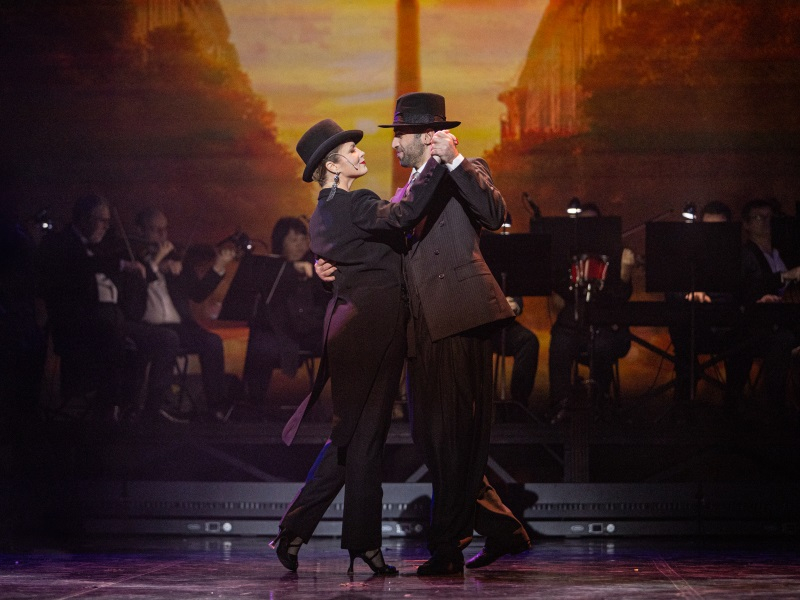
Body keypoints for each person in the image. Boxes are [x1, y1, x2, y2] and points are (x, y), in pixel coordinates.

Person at [271, 118, 445, 575]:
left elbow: (345, 264)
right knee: (357, 437)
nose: (361, 154)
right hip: (373, 331)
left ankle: (338, 540)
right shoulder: (357, 202)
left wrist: (326, 273)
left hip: (352, 330)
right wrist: (434, 163)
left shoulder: (322, 215)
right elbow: (404, 215)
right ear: (332, 165)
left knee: (359, 438)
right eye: (352, 151)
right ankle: (314, 533)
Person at [381, 92, 530, 575]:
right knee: (431, 436)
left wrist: (456, 161)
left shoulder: (465, 170)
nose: (394, 144)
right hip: (422, 326)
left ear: (428, 136)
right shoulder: (407, 189)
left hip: (458, 316)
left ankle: (448, 547)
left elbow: (495, 213)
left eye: (401, 135)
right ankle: (501, 528)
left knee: (450, 435)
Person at [36, 194, 179, 421]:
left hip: (112, 320)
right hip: (81, 323)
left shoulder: (103, 248)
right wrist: (122, 264)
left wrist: (143, 270)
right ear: (84, 219)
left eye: (108, 222)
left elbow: (128, 292)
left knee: (166, 338)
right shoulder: (61, 243)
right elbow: (82, 265)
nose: (106, 227)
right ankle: (110, 407)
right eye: (101, 220)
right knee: (118, 334)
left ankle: (149, 410)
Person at [130, 208, 235, 422]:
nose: (163, 236)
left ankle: (216, 408)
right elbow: (131, 294)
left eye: (165, 230)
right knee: (168, 339)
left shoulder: (175, 259)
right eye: (155, 230)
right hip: (146, 326)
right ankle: (154, 408)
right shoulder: (131, 258)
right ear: (140, 231)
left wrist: (218, 266)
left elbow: (198, 294)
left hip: (179, 326)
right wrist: (155, 264)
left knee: (212, 341)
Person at [548, 203, 634, 424]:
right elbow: (558, 285)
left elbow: (621, 297)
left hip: (606, 324)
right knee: (559, 343)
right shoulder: (569, 254)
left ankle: (599, 403)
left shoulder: (614, 254)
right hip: (573, 323)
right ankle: (560, 405)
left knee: (603, 346)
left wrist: (625, 275)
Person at [665, 201, 750, 419]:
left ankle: (732, 409)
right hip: (694, 329)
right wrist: (688, 294)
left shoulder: (741, 256)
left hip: (731, 329)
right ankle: (682, 409)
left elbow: (749, 290)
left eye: (720, 228)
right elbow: (671, 289)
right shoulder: (686, 255)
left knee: (744, 343)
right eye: (708, 228)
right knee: (683, 341)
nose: (713, 235)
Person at [242, 217, 327, 417]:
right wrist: (291, 270)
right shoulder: (268, 268)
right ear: (280, 242)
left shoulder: (316, 265)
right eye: (293, 240)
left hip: (309, 331)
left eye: (303, 239)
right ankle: (253, 405)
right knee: (260, 346)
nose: (300, 245)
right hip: (280, 335)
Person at [737, 198, 800, 415]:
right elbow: (748, 287)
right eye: (758, 217)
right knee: (783, 340)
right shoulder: (746, 254)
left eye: (770, 217)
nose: (766, 222)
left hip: (779, 317)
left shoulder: (778, 252)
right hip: (755, 324)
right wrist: (785, 277)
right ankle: (775, 407)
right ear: (746, 224)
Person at [491, 296, 540, 415]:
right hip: (474, 324)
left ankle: (518, 404)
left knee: (528, 341)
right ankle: (485, 404)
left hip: (501, 327)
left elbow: (515, 288)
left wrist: (515, 305)